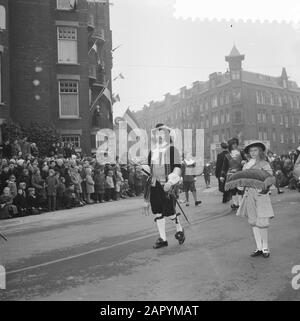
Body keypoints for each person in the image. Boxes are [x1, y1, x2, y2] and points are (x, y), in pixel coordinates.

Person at [144, 123, 185, 249]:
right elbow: (149, 168)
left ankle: (179, 229)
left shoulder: (173, 150)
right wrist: (144, 169)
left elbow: (178, 168)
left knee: (169, 211)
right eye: (157, 134)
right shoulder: (152, 151)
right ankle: (163, 238)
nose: (159, 136)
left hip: (167, 184)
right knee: (157, 211)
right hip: (154, 185)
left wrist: (171, 181)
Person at [236, 141, 275, 258]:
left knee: (262, 222)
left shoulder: (265, 164)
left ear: (260, 151)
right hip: (249, 195)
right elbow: (242, 179)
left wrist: (264, 187)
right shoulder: (246, 165)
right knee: (253, 222)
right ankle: (258, 247)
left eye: (255, 150)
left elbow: (270, 179)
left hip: (261, 195)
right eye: (251, 151)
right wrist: (241, 184)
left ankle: (265, 248)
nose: (253, 153)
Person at [220, 138, 247, 211]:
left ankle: (241, 204)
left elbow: (246, 160)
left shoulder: (241, 152)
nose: (234, 145)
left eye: (235, 144)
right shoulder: (227, 155)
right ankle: (235, 204)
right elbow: (224, 166)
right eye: (233, 144)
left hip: (240, 173)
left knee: (240, 189)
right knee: (233, 190)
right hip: (230, 174)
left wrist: (244, 161)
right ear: (230, 145)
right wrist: (222, 175)